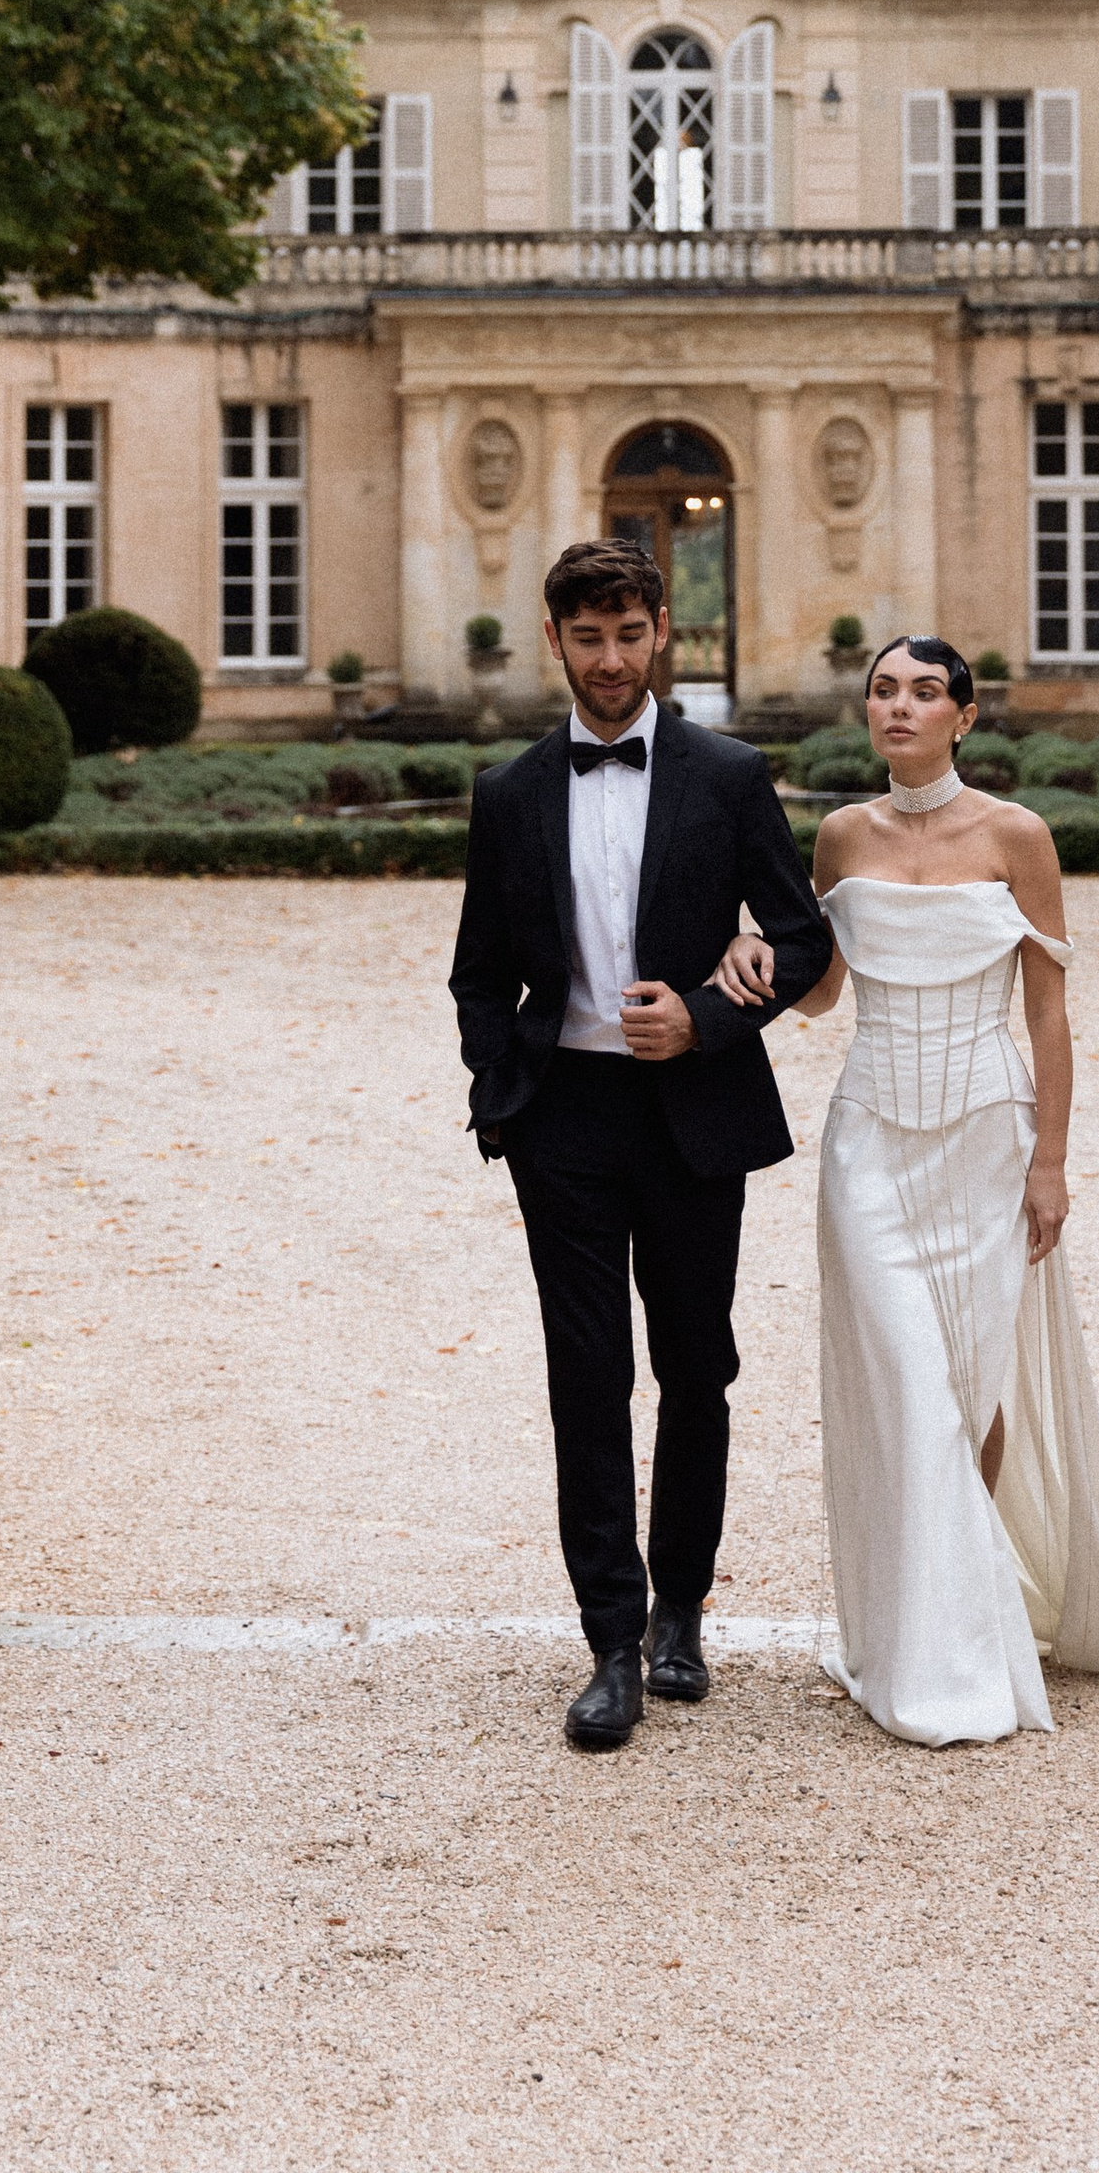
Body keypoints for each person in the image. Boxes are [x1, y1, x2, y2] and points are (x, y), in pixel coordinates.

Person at [713, 634, 1099, 1746]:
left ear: (963, 717)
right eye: (884, 690)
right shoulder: (839, 835)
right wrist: (747, 952)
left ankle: (961, 1621)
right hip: (870, 1146)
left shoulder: (1016, 837)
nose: (900, 707)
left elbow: (1048, 1014)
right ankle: (919, 1642)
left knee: (972, 1391)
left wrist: (1051, 1159)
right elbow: (826, 997)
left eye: (924, 692)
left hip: (987, 1138)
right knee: (906, 1382)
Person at [450, 537, 832, 1750]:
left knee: (696, 1367)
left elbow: (802, 936)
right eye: (587, 638)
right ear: (554, 641)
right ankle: (608, 1641)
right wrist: (502, 1090)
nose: (609, 660)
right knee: (585, 1378)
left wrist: (710, 1019)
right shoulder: (510, 793)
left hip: (689, 1116)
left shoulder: (727, 773)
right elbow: (476, 975)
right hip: (563, 1118)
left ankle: (681, 1616)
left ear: (659, 632)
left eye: (628, 635)